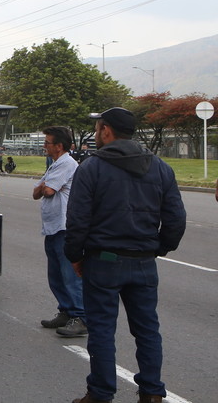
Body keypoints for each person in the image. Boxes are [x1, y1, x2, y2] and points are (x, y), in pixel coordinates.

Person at [65, 108, 186, 403]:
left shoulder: (91, 168)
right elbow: (176, 220)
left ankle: (101, 393)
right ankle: (152, 393)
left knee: (103, 330)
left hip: (103, 260)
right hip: (144, 261)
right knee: (147, 330)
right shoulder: (160, 168)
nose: (96, 135)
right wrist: (158, 248)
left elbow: (78, 220)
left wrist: (75, 256)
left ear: (106, 131)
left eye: (98, 129)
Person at [33, 126, 85, 337]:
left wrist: (45, 186)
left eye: (47, 143)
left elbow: (48, 190)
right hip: (52, 227)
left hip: (64, 227)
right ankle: (65, 310)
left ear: (59, 146)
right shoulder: (54, 165)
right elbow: (37, 192)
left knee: (69, 275)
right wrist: (44, 186)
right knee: (55, 275)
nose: (44, 146)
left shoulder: (66, 164)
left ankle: (80, 316)